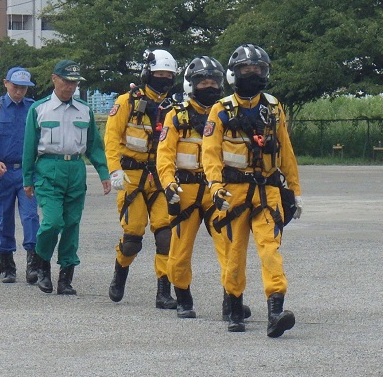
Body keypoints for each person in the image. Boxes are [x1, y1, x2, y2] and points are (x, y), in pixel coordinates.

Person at [202, 44, 303, 337]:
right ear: (234, 74)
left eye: (258, 69)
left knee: (270, 249)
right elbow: (209, 154)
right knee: (235, 254)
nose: (253, 74)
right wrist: (216, 186)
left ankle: (275, 312)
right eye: (247, 70)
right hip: (231, 194)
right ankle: (235, 309)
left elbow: (286, 151)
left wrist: (294, 192)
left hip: (267, 191)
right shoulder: (220, 110)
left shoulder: (273, 107)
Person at [157, 56, 250, 321]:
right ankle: (183, 298)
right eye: (203, 82)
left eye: (214, 82)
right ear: (191, 84)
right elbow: (164, 156)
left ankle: (231, 300)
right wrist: (168, 184)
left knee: (230, 246)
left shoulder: (227, 114)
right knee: (180, 249)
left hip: (217, 191)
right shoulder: (177, 115)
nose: (209, 87)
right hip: (184, 191)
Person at [22, 60, 111, 295]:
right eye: (66, 81)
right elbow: (29, 147)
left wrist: (104, 172)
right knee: (52, 222)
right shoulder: (39, 109)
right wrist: (27, 179)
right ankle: (41, 265)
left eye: (74, 82)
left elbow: (94, 145)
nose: (70, 87)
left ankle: (65, 277)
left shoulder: (84, 110)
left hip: (75, 169)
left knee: (72, 224)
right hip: (48, 169)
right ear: (54, 79)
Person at [104, 49, 178, 309]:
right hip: (131, 177)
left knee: (165, 235)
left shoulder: (176, 107)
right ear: (148, 73)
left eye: (168, 75)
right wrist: (114, 170)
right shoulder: (127, 101)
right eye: (159, 73)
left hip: (161, 178)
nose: (163, 79)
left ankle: (163, 292)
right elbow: (112, 137)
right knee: (133, 237)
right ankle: (119, 274)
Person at [0, 67, 40, 284]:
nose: (19, 91)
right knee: (3, 219)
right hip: (1, 173)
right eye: (15, 86)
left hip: (26, 172)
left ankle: (34, 264)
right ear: (6, 83)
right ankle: (8, 265)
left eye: (23, 88)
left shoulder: (33, 108)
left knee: (31, 217)